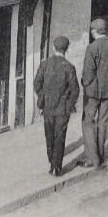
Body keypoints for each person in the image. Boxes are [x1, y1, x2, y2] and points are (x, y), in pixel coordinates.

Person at [78, 18, 108, 168]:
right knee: (103, 122)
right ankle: (101, 155)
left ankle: (92, 158)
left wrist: (84, 83)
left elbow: (88, 72)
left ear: (93, 31)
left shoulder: (92, 47)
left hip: (92, 92)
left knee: (88, 122)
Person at [33, 35, 80, 176]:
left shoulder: (44, 64)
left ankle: (51, 160)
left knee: (49, 135)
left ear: (53, 48)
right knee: (60, 136)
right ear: (66, 49)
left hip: (47, 107)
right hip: (62, 109)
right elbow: (75, 90)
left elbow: (37, 84)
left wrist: (43, 98)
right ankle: (56, 167)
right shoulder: (69, 67)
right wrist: (68, 104)